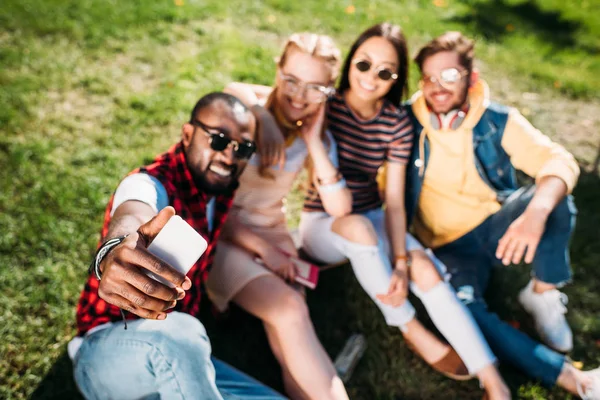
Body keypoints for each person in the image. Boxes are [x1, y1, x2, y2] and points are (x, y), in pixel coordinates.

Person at [294, 23, 510, 399]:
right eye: (364, 64)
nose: (370, 77)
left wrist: (398, 260)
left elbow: (393, 200)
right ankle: (408, 326)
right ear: (350, 62)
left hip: (371, 216)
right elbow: (275, 98)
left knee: (423, 267)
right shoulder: (324, 106)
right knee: (359, 228)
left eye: (385, 71)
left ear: (396, 78)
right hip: (322, 224)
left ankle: (493, 381)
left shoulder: (395, 122)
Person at [401, 31, 599, 398]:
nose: (437, 87)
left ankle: (542, 292)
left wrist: (535, 213)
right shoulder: (406, 125)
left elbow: (559, 161)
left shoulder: (496, 120)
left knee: (554, 198)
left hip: (494, 228)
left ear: (471, 78)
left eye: (449, 76)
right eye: (429, 78)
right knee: (463, 311)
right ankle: (574, 378)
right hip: (444, 250)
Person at [69, 92, 286, 399]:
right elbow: (132, 212)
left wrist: (264, 117)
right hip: (110, 351)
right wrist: (116, 248)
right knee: (182, 334)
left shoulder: (219, 187)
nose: (229, 157)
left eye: (243, 148)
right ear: (187, 134)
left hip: (182, 357)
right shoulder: (150, 183)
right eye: (219, 140)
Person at [207, 33, 351, 400]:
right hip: (221, 232)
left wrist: (316, 142)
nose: (299, 96)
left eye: (315, 87)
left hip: (271, 231)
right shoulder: (243, 115)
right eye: (291, 80)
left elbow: (338, 209)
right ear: (277, 70)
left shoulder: (313, 134)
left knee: (292, 318)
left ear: (329, 92)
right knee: (288, 308)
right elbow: (231, 90)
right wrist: (259, 115)